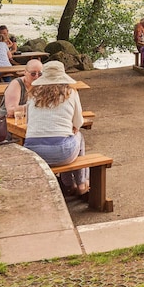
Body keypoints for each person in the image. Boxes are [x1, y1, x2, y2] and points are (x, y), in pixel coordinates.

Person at [24, 61, 89, 197]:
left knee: (66, 138)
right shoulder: (70, 92)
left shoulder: (33, 94)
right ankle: (81, 183)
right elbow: (79, 122)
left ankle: (68, 184)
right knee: (77, 137)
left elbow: (28, 122)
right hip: (62, 152)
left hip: (32, 153)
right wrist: (72, 128)